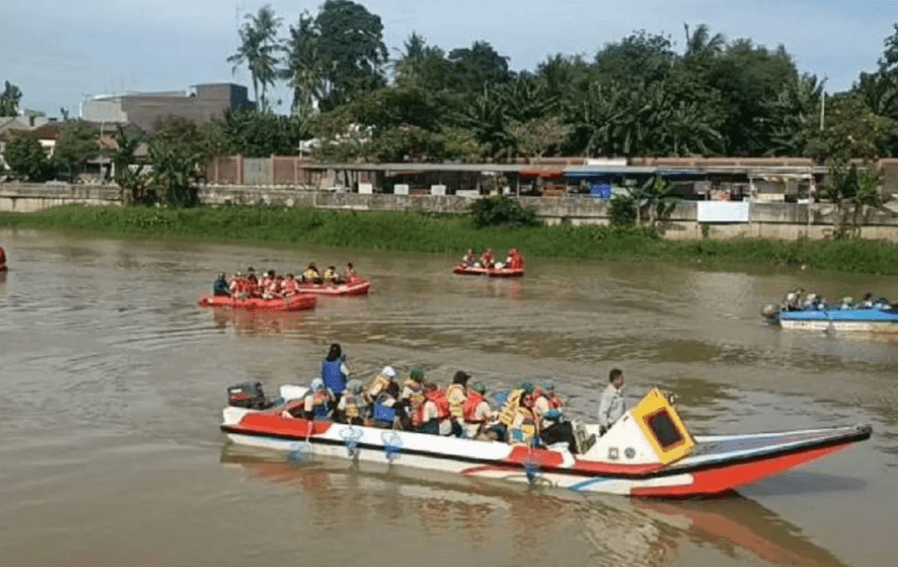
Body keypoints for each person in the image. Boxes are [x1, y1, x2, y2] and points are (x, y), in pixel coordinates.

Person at [598, 368, 626, 436]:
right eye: (621, 378)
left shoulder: (618, 393)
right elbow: (602, 412)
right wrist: (606, 427)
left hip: (618, 427)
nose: (623, 380)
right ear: (615, 379)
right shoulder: (608, 394)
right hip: (611, 429)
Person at [445, 371, 470, 437]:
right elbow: (467, 403)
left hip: (451, 417)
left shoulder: (450, 389)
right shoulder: (457, 390)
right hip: (458, 418)